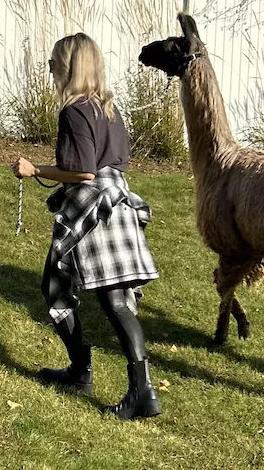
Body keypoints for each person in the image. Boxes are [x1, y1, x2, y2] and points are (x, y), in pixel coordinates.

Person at [10, 33, 162, 420]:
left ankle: (91, 375)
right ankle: (134, 387)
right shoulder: (109, 107)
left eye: (53, 63)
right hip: (117, 200)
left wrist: (35, 170)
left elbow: (82, 170)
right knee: (116, 302)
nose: (50, 69)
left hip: (93, 206)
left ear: (70, 66)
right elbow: (114, 163)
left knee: (56, 286)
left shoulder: (74, 110)